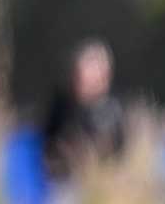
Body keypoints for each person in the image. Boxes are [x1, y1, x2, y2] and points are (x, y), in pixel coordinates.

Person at [43, 39, 127, 182]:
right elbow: (47, 147)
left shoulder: (112, 113)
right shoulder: (62, 107)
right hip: (59, 184)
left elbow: (116, 158)